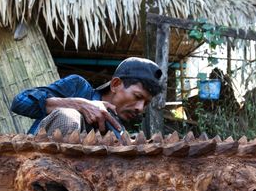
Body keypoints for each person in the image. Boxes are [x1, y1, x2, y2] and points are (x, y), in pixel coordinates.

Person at [10, 57, 163, 138]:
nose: (140, 108)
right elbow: (19, 102)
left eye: (146, 103)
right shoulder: (78, 88)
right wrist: (77, 104)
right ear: (115, 84)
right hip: (33, 170)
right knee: (68, 116)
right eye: (137, 96)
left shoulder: (119, 129)